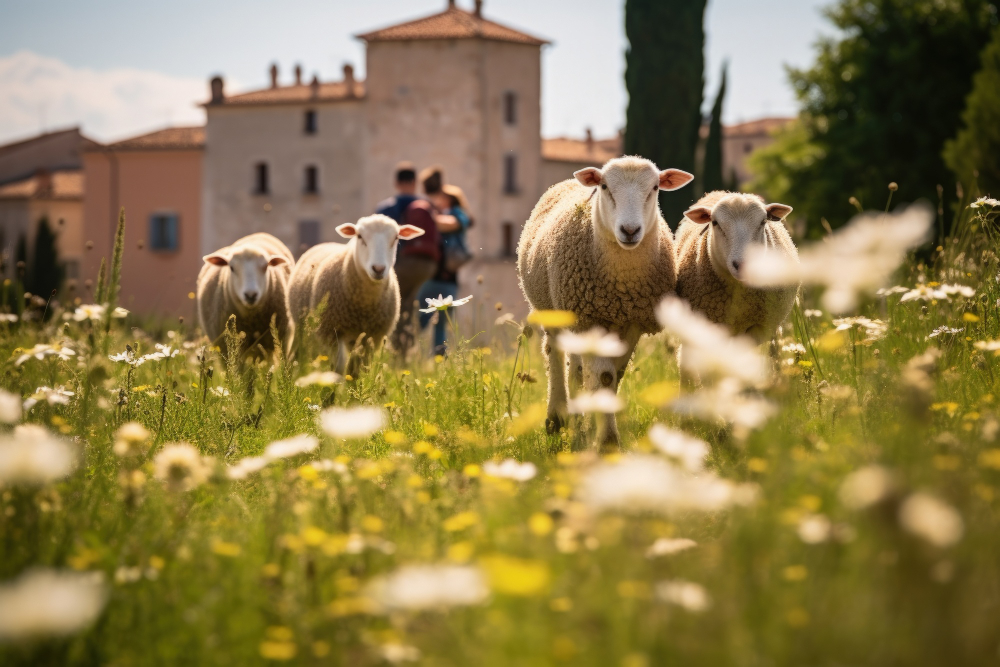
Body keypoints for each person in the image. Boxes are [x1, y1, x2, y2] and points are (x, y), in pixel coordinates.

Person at [376, 164, 440, 357]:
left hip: (401, 264)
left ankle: (396, 352)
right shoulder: (427, 204)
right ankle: (407, 349)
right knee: (410, 304)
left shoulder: (387, 207)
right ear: (414, 182)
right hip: (427, 266)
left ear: (396, 182)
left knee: (394, 304)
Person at [417, 183, 473, 355]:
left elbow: (450, 224)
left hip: (445, 278)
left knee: (437, 322)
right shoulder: (440, 213)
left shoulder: (458, 214)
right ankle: (418, 357)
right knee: (421, 320)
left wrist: (428, 216)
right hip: (434, 277)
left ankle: (437, 360)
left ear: (448, 198)